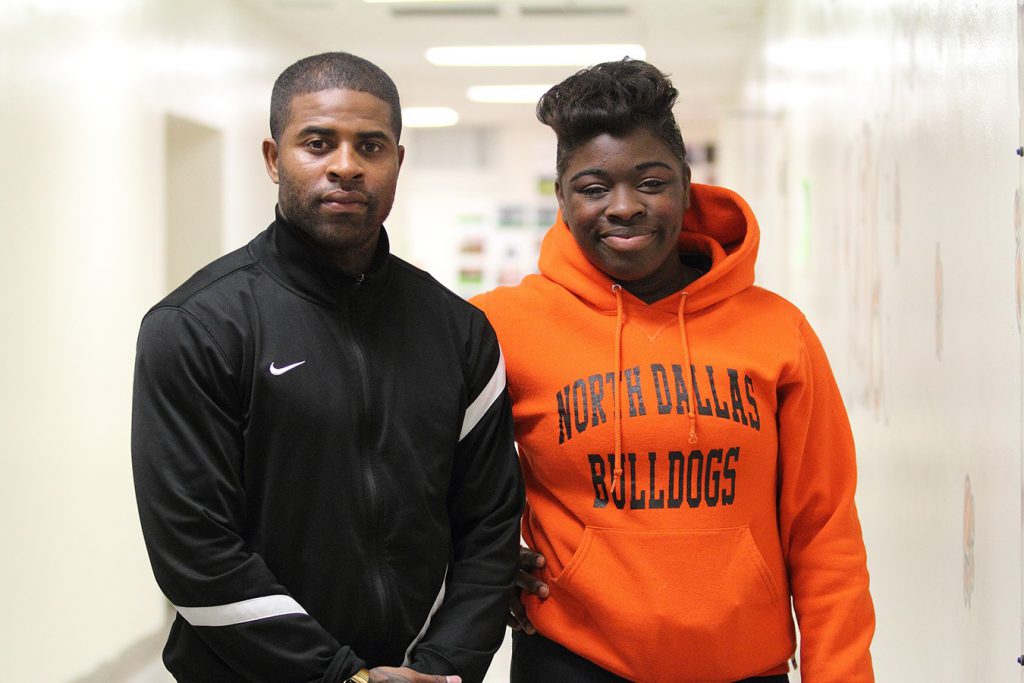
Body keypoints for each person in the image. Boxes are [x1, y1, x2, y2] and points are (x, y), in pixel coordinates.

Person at [471, 59, 875, 683]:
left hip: (743, 666)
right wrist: (474, 559)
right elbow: (416, 473)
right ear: (561, 197)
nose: (624, 207)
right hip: (572, 662)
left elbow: (824, 533)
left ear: (686, 185)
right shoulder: (499, 326)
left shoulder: (776, 331)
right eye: (594, 187)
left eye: (651, 182)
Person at [131, 52, 523, 683]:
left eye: (371, 146)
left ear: (398, 161)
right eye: (318, 143)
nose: (346, 166)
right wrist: (344, 679)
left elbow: (490, 524)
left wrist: (444, 667)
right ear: (272, 158)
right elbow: (195, 551)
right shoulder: (198, 326)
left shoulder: (458, 331)